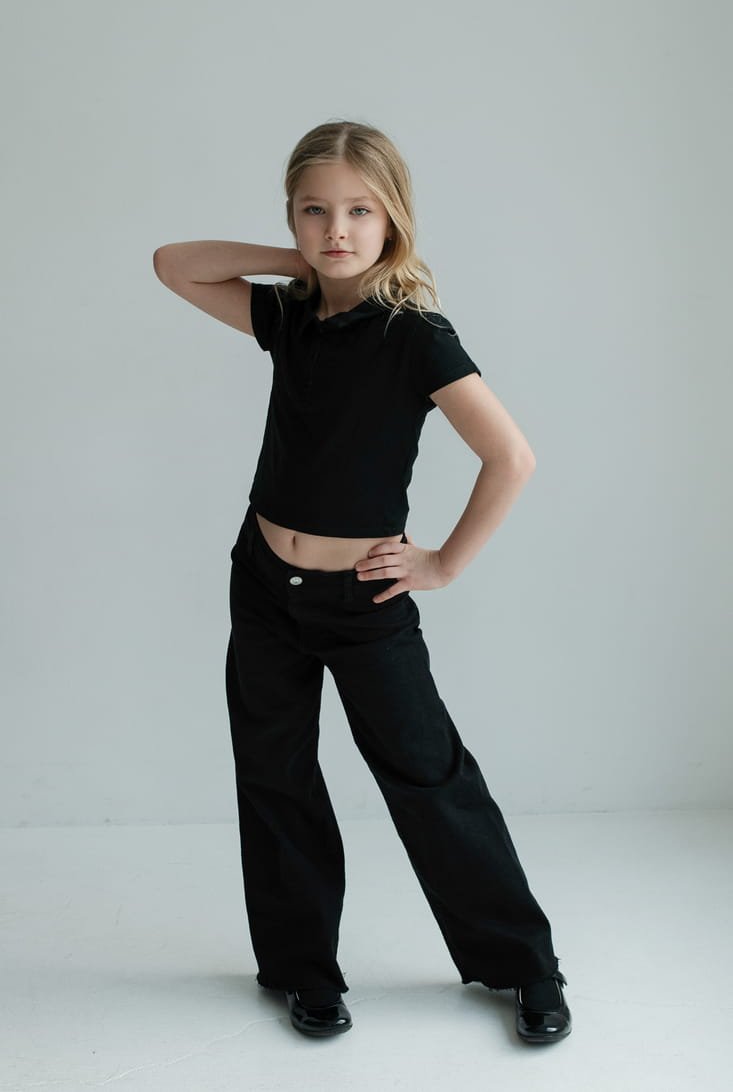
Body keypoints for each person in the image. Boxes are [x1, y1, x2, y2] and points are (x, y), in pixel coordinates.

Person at [153, 119, 572, 1045]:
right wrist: (302, 265)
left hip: (365, 602)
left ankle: (524, 965)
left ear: (393, 219)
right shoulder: (291, 315)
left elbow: (510, 456)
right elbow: (173, 264)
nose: (335, 229)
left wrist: (442, 563)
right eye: (315, 211)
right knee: (275, 776)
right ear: (292, 218)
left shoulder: (413, 334)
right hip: (264, 585)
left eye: (358, 212)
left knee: (428, 778)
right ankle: (302, 973)